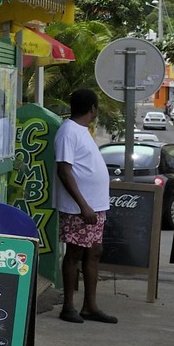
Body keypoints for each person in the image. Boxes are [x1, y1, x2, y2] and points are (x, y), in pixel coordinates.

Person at [53, 88, 117, 324]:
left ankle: (90, 306)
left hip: (94, 206)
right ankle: (68, 306)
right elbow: (64, 170)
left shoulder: (81, 131)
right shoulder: (68, 131)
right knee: (75, 253)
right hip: (80, 208)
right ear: (92, 108)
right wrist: (83, 206)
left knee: (94, 251)